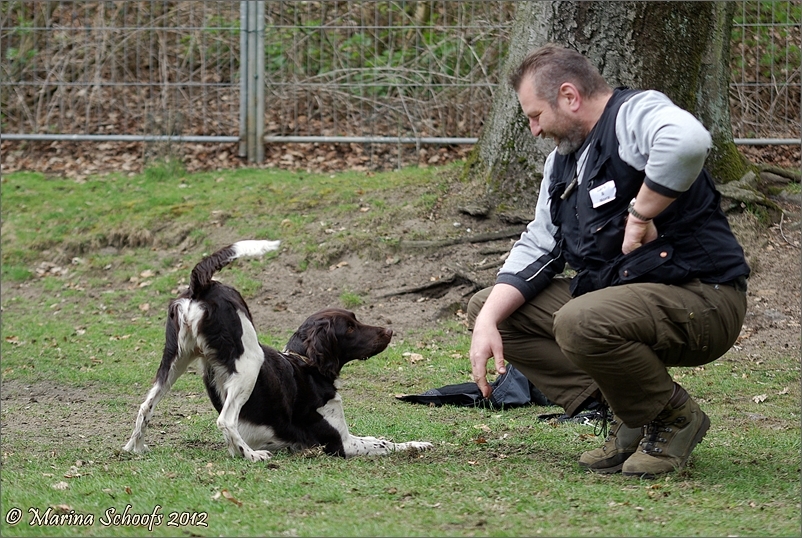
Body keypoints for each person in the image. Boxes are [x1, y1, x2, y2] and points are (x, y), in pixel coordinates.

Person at [467, 45, 749, 478]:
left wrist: (642, 212)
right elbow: (540, 243)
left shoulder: (632, 116)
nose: (534, 130)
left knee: (579, 319)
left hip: (703, 299)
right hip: (619, 304)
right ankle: (630, 413)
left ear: (569, 96)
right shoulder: (562, 164)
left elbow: (689, 141)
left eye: (536, 115)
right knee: (493, 309)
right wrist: (486, 321)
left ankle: (673, 416)